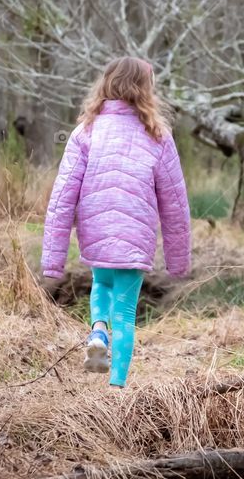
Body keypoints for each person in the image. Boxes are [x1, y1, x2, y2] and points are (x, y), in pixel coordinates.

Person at [41, 57, 191, 387]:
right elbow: (175, 203)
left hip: (96, 232)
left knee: (102, 283)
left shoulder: (85, 132)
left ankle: (97, 331)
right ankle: (116, 386)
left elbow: (62, 196)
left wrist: (53, 260)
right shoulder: (157, 135)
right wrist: (178, 262)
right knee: (124, 313)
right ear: (145, 90)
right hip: (135, 236)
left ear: (107, 85)